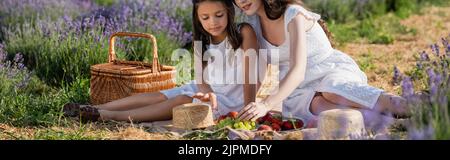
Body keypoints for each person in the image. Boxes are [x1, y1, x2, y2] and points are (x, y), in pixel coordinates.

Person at [63, 0, 258, 123]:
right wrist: (208, 94)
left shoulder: (244, 32)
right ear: (198, 19)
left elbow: (251, 76)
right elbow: (201, 79)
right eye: (205, 17)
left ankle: (110, 116)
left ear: (229, 12)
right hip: (208, 92)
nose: (213, 23)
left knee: (182, 100)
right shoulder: (201, 41)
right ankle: (92, 109)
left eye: (218, 15)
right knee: (159, 95)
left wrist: (249, 108)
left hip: (233, 100)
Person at [233, 0, 408, 128]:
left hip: (329, 71)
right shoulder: (252, 26)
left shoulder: (293, 14)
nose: (241, 0)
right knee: (319, 106)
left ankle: (412, 106)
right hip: (298, 90)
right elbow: (256, 74)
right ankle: (395, 123)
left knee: (331, 91)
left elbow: (297, 70)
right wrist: (248, 112)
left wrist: (265, 105)